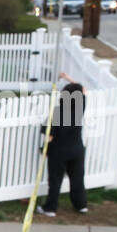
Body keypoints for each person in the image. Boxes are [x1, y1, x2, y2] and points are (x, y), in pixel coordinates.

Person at [35, 74, 88, 217]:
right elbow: (82, 89)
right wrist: (69, 78)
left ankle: (50, 208)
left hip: (59, 153)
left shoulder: (57, 113)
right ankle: (81, 205)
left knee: (55, 181)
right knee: (77, 178)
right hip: (77, 150)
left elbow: (49, 137)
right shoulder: (79, 110)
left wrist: (44, 148)